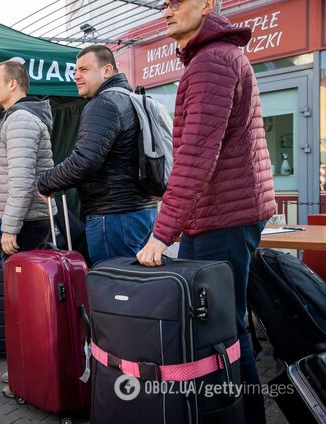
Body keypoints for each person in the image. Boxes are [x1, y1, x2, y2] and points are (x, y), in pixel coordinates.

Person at [135, 2, 276, 423]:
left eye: (177, 2)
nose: (167, 11)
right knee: (228, 329)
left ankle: (240, 415)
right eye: (164, 4)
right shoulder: (216, 56)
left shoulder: (211, 60)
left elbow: (196, 156)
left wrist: (162, 234)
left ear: (208, 4)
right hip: (228, 213)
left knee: (222, 334)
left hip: (222, 217)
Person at [37, 45, 157, 263]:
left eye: (84, 69)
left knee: (114, 290)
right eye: (75, 71)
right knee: (137, 290)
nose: (76, 76)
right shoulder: (130, 98)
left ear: (107, 70)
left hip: (113, 217)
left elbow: (84, 162)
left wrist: (46, 182)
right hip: (141, 211)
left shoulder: (103, 104)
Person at [0, 60, 56, 256]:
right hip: (28, 218)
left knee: (24, 285)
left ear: (12, 84)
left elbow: (22, 181)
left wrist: (10, 228)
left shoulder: (20, 120)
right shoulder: (19, 118)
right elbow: (19, 173)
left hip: (27, 222)